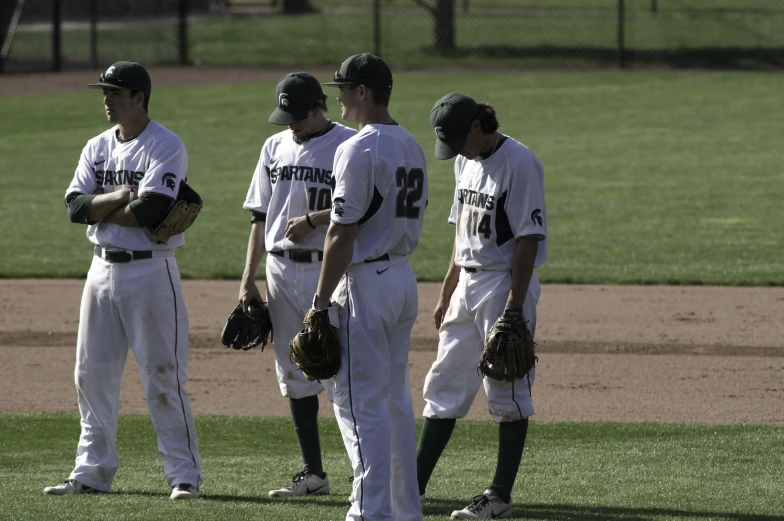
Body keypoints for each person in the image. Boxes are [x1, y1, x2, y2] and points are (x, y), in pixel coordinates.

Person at [45, 61, 203, 500]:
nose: (106, 100)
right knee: (91, 374)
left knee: (162, 374)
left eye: (115, 92)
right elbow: (75, 208)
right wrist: (120, 196)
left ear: (139, 98)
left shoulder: (165, 145)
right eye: (104, 92)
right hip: (100, 271)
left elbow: (151, 212)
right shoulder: (96, 146)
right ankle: (91, 473)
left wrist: (102, 205)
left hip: (151, 271)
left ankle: (183, 475)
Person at [417, 92, 548, 520]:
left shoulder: (520, 163)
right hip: (467, 286)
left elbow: (529, 238)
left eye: (459, 138)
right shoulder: (464, 161)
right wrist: (445, 291)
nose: (456, 149)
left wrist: (514, 305)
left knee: (507, 389)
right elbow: (461, 236)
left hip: (503, 285)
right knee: (443, 385)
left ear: (478, 124)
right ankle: (411, 487)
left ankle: (499, 496)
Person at [312, 53, 428, 521]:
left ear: (363, 92)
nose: (336, 95)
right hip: (401, 279)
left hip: (365, 284)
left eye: (342, 87)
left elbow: (342, 232)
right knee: (395, 399)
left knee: (357, 403)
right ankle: (404, 510)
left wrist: (319, 303)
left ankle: (367, 512)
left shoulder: (357, 148)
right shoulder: (411, 144)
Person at [239, 72, 356, 497]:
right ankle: (314, 474)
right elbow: (258, 216)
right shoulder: (274, 147)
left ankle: (363, 467)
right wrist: (248, 277)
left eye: (296, 116)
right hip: (279, 270)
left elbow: (362, 206)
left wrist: (315, 220)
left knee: (345, 368)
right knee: (294, 369)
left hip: (329, 268)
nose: (290, 124)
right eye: (284, 115)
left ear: (317, 108)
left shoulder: (348, 143)